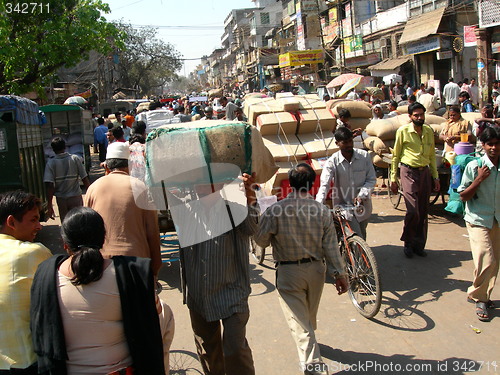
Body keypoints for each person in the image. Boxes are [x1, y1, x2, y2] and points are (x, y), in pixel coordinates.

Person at [30, 207, 174, 374]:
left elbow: (38, 329)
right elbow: (152, 315)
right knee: (165, 313)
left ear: (65, 244)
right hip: (122, 371)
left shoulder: (46, 274)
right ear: (103, 239)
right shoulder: (131, 272)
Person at [254, 163, 348, 375]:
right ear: (312, 184)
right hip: (316, 272)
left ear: (291, 183)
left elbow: (261, 241)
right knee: (307, 317)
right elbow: (331, 247)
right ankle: (311, 349)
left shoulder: (275, 210)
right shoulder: (322, 211)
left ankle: (313, 367)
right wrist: (340, 275)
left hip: (289, 273)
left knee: (300, 322)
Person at [181, 173, 258, 375]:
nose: (201, 186)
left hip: (232, 294)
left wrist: (249, 194)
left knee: (235, 351)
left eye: (207, 180)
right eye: (198, 179)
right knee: (208, 352)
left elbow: (252, 228)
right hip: (199, 295)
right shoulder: (186, 207)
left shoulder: (234, 206)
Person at [84, 142, 162, 276]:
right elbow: (152, 232)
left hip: (102, 263)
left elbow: (85, 229)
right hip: (137, 263)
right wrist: (155, 267)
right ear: (129, 166)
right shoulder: (140, 187)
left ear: (106, 167)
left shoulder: (93, 188)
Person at [0, 191, 52, 374]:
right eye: (33, 220)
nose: (39, 226)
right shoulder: (33, 252)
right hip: (24, 361)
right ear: (11, 222)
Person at [458, 127, 500, 322]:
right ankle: (478, 296)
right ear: (482, 146)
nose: (494, 147)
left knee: (492, 263)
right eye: (489, 144)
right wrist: (479, 179)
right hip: (477, 219)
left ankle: (483, 294)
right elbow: (464, 195)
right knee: (487, 258)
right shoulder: (475, 166)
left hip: (497, 219)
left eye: (497, 144)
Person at [390, 102, 440, 258]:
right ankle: (408, 242)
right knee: (412, 210)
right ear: (410, 117)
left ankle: (419, 244)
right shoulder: (403, 132)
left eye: (421, 114)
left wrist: (435, 177)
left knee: (423, 210)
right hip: (408, 172)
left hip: (424, 172)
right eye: (416, 115)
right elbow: (396, 156)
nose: (419, 117)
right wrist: (393, 177)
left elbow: (431, 156)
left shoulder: (428, 131)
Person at [316, 128, 376, 240]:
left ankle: (361, 255)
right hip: (343, 206)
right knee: (356, 235)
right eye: (345, 142)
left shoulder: (364, 156)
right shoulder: (332, 162)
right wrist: (318, 204)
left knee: (362, 234)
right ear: (337, 143)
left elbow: (371, 179)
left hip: (363, 206)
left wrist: (362, 195)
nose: (349, 145)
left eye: (350, 141)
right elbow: (325, 184)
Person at [43, 137, 91, 222]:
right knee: (78, 221)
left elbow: (50, 185)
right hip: (76, 197)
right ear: (65, 147)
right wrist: (90, 194)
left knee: (66, 223)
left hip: (61, 199)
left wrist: (49, 205)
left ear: (53, 149)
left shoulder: (51, 163)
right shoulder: (75, 159)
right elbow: (84, 178)